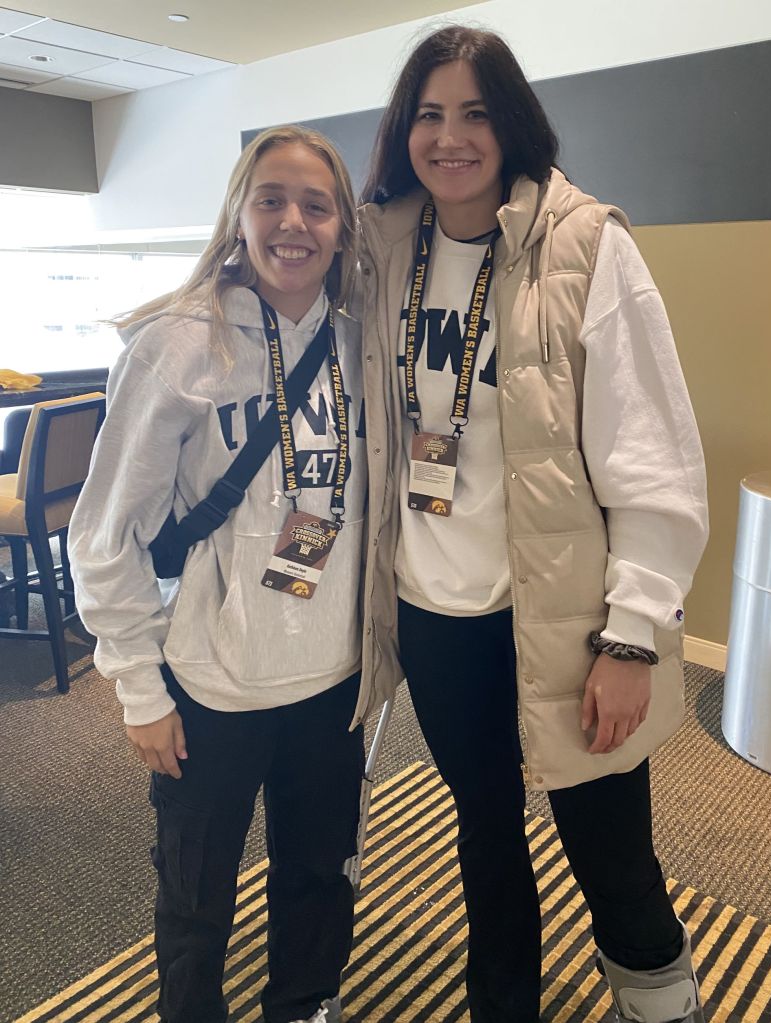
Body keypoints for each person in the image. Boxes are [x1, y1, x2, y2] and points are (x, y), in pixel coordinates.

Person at [356, 25, 709, 1023]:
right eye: (428, 112)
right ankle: (501, 1001)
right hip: (436, 611)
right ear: (403, 129)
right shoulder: (384, 243)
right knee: (483, 831)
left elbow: (654, 457)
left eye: (474, 110)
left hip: (560, 616)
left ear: (511, 123)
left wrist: (631, 634)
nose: (450, 135)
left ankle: (660, 1000)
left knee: (607, 845)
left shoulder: (587, 247)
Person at [68, 125, 390, 1023]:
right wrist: (139, 687)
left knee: (320, 874)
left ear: (342, 226)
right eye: (272, 200)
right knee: (196, 889)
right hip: (208, 681)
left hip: (332, 682)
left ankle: (303, 1003)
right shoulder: (175, 343)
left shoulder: (363, 343)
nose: (295, 222)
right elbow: (102, 536)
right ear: (239, 215)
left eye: (317, 205)